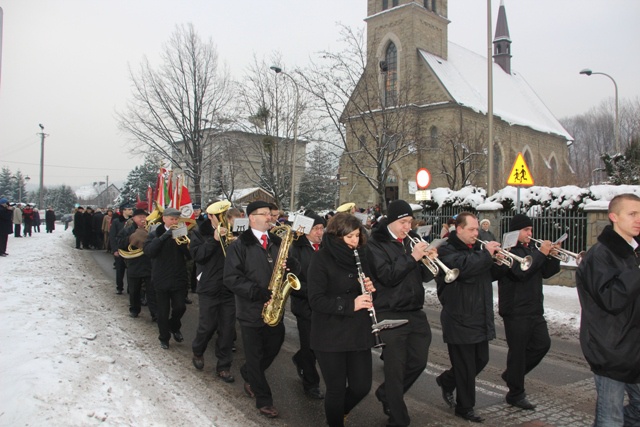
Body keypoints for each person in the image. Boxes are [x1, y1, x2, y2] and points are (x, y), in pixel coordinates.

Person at [223, 200, 299, 419]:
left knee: (274, 344)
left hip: (275, 308)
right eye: (264, 214)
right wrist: (256, 292)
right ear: (251, 218)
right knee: (255, 355)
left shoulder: (278, 241)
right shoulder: (239, 245)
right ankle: (263, 399)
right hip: (250, 309)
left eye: (271, 214)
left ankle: (249, 373)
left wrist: (294, 266)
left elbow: (292, 266)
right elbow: (231, 278)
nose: (270, 217)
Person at [366, 200, 436, 427]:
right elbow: (387, 276)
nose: (408, 227)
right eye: (403, 222)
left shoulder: (410, 241)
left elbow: (422, 277)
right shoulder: (375, 243)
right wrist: (413, 257)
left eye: (410, 222)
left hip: (414, 311)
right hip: (389, 311)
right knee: (395, 369)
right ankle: (398, 418)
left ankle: (386, 393)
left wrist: (428, 262)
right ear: (391, 221)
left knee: (418, 361)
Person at [576, 193, 640, 426]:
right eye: (632, 214)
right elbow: (611, 299)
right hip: (610, 350)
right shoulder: (600, 255)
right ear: (613, 216)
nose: (638, 219)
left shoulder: (632, 251)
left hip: (633, 349)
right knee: (610, 418)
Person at [435, 212, 505, 423]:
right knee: (466, 366)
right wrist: (486, 255)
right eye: (472, 229)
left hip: (479, 315)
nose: (477, 233)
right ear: (459, 229)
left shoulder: (477, 249)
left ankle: (447, 380)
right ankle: (465, 408)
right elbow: (463, 267)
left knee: (480, 360)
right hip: (459, 316)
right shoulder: (446, 249)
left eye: (477, 229)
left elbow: (487, 274)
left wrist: (498, 262)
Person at [308, 212, 375, 427]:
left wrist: (372, 290)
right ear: (337, 237)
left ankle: (339, 411)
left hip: (357, 332)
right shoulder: (321, 258)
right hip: (330, 333)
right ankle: (335, 420)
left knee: (361, 386)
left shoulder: (363, 256)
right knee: (336, 389)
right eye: (349, 237)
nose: (355, 241)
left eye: (357, 236)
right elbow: (316, 300)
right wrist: (350, 304)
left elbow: (371, 289)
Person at [497, 214, 560, 410]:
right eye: (526, 230)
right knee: (518, 353)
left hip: (534, 308)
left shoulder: (531, 250)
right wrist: (541, 253)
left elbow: (547, 272)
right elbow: (520, 273)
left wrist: (551, 256)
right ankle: (516, 393)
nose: (530, 234)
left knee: (542, 344)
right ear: (516, 231)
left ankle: (512, 375)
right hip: (515, 310)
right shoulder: (508, 252)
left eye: (531, 230)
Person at [188, 201, 237, 384]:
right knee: (207, 325)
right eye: (220, 215)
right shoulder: (200, 232)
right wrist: (214, 240)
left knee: (227, 329)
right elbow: (198, 256)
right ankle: (198, 350)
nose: (223, 219)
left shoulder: (233, 232)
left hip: (229, 287)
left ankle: (224, 366)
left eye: (226, 214)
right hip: (209, 286)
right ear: (210, 217)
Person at [289, 212, 326, 400]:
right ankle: (310, 383)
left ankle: (300, 358)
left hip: (324, 306)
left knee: (319, 344)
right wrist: (314, 292)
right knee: (311, 346)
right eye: (316, 229)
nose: (320, 232)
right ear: (305, 231)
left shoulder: (326, 246)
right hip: (305, 306)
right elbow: (292, 281)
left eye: (322, 228)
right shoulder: (295, 249)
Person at [144, 207, 190, 350]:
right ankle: (164, 338)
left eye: (177, 219)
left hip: (178, 277)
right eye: (172, 219)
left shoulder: (181, 233)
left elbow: (189, 256)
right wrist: (164, 236)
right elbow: (150, 252)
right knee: (162, 312)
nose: (174, 221)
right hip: (161, 278)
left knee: (180, 307)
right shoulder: (154, 234)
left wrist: (184, 244)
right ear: (164, 219)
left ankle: (174, 326)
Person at [117, 208, 156, 320]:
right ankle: (134, 310)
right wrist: (130, 238)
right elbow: (119, 242)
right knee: (134, 290)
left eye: (144, 217)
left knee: (152, 291)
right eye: (140, 217)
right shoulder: (128, 230)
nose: (143, 219)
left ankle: (155, 313)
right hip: (134, 263)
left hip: (149, 263)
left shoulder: (152, 229)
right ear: (134, 218)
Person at [110, 204, 133, 294]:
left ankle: (130, 288)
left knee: (130, 270)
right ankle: (119, 287)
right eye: (129, 209)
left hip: (130, 249)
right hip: (119, 249)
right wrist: (115, 249)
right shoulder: (116, 221)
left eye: (131, 209)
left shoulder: (132, 221)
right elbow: (112, 236)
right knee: (120, 269)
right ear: (124, 210)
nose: (131, 211)